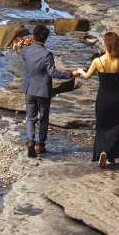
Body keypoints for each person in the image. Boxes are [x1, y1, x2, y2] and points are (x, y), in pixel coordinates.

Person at [77, 31, 119, 169]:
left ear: (105, 44)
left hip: (103, 99)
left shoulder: (97, 61)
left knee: (101, 126)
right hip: (117, 99)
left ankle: (102, 152)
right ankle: (110, 157)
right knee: (115, 127)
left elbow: (87, 76)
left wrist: (80, 71)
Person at [20, 24, 81, 157]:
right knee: (44, 118)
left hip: (29, 88)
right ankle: (40, 145)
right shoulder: (47, 54)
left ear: (33, 36)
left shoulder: (25, 50)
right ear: (46, 38)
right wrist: (71, 74)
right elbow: (53, 73)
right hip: (42, 90)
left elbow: (25, 58)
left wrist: (28, 43)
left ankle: (30, 141)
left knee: (30, 117)